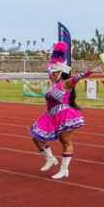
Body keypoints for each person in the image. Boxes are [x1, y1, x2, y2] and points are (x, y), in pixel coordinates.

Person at [29, 41, 92, 180]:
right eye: (49, 73)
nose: (49, 75)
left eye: (52, 73)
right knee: (36, 137)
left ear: (59, 72)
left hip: (64, 115)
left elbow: (76, 78)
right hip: (50, 115)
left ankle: (64, 170)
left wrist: (89, 72)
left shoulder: (66, 83)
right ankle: (50, 158)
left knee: (65, 141)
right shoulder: (54, 85)